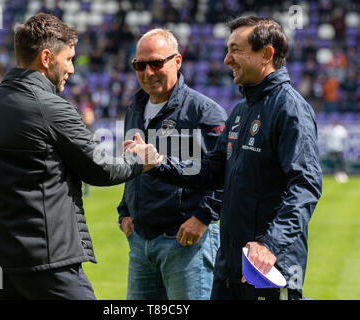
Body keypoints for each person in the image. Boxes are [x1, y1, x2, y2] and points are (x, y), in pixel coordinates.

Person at [0, 13, 160, 300]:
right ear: (46, 58)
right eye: (68, 59)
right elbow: (100, 169)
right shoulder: (51, 107)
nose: (71, 69)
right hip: (47, 260)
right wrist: (141, 160)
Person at [128, 16, 323, 300]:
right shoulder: (240, 111)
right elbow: (211, 172)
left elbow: (305, 185)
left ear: (266, 54)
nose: (226, 59)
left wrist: (270, 245)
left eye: (235, 49)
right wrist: (158, 164)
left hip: (267, 267)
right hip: (229, 267)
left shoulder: (290, 109)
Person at [118, 28, 227, 300]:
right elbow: (134, 163)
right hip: (141, 241)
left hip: (185, 242)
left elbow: (226, 173)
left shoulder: (204, 111)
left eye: (156, 63)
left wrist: (203, 218)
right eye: (140, 65)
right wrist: (124, 210)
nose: (148, 72)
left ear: (177, 61)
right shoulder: (135, 106)